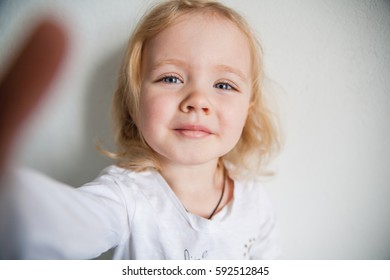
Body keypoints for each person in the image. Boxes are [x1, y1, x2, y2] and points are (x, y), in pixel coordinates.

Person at [0, 0, 281, 259]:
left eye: (223, 85)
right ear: (134, 104)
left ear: (248, 110)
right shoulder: (126, 197)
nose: (198, 101)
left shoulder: (254, 202)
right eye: (171, 78)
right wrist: (9, 193)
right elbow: (62, 225)